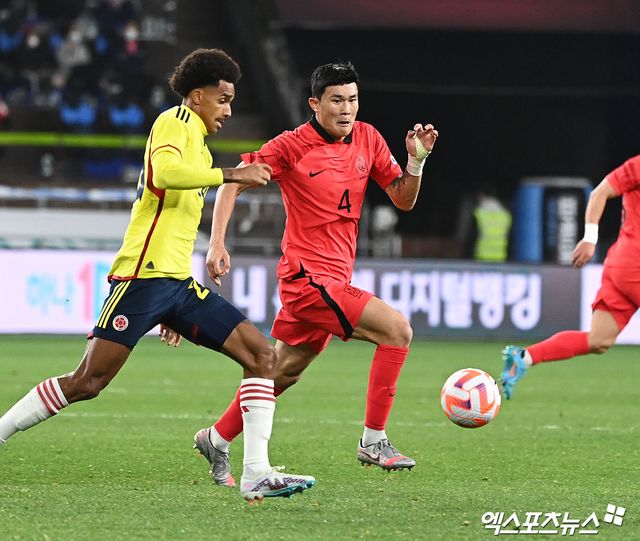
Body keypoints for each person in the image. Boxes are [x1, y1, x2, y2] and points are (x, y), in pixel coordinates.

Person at [0, 48, 314, 502]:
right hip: (141, 280)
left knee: (263, 357)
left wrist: (174, 309)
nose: (228, 111)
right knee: (88, 381)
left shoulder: (198, 144)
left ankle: (256, 473)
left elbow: (176, 214)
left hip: (176, 286)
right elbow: (164, 174)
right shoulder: (174, 122)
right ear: (197, 96)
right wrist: (231, 174)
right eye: (223, 99)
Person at [193, 61, 438, 487]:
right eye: (337, 100)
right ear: (315, 103)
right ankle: (374, 440)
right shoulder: (291, 146)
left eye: (353, 99)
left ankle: (216, 438)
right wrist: (216, 243)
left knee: (281, 372)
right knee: (397, 331)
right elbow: (232, 183)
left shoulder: (368, 138)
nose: (347, 109)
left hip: (336, 279)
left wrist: (415, 162)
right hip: (308, 280)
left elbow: (403, 199)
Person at [501, 155, 640, 399]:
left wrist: (590, 240)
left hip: (620, 263)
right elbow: (600, 192)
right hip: (635, 265)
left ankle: (525, 357)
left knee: (599, 339)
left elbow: (599, 192)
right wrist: (590, 238)